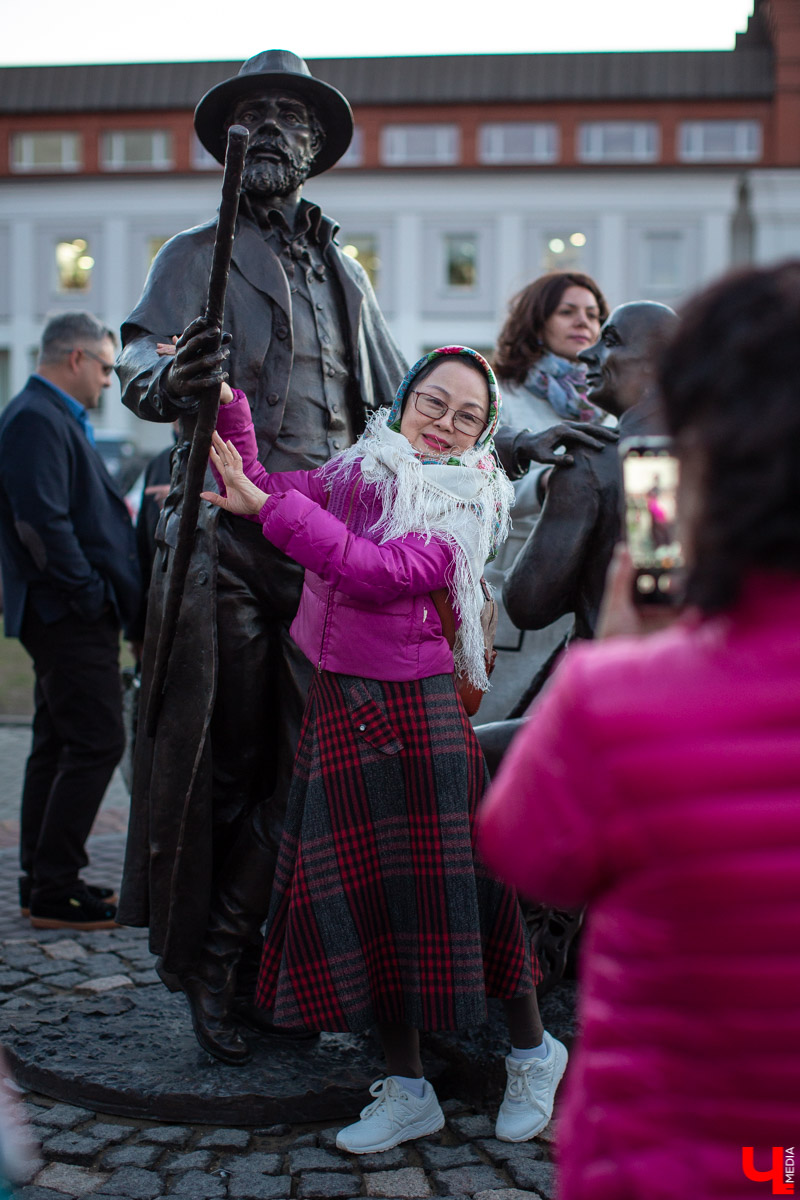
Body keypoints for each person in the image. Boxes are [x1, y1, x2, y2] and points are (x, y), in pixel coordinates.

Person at [478, 262, 800, 1199]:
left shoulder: (617, 460)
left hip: (651, 1149)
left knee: (456, 774)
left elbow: (592, 597)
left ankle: (516, 1031)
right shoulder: (650, 459)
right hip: (777, 1152)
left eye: (612, 340)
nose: (594, 356)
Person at [201, 346, 568, 1152]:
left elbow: (371, 571)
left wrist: (265, 511)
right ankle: (408, 1092)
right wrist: (228, 403)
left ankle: (535, 1053)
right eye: (432, 403)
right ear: (405, 401)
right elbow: (265, 478)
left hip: (418, 712)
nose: (443, 424)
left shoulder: (464, 506)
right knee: (372, 903)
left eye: (466, 416)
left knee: (470, 889)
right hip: (341, 701)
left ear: (481, 436)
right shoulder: (360, 470)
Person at [115, 50, 407, 1060]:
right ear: (235, 142)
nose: (278, 128)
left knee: (310, 761)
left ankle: (252, 955)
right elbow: (140, 357)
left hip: (324, 546)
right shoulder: (194, 252)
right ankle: (210, 970)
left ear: (319, 148)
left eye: (295, 116)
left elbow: (395, 401)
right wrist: (170, 374)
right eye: (259, 113)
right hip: (227, 539)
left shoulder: (344, 271)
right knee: (222, 757)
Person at [0, 312, 141, 929]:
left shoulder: (49, 415)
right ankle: (54, 888)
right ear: (77, 359)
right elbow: (42, 525)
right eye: (107, 368)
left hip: (66, 611)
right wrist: (88, 596)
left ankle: (43, 882)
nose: (111, 382)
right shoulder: (35, 417)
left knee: (57, 743)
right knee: (98, 741)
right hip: (66, 613)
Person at [482, 272, 613, 723]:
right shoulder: (501, 396)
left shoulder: (606, 407)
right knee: (496, 734)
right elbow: (477, 485)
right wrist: (545, 486)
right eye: (568, 311)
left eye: (594, 315)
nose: (584, 322)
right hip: (514, 587)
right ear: (537, 322)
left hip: (585, 603)